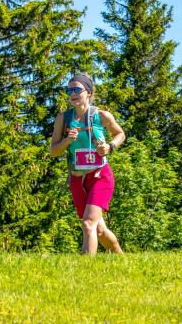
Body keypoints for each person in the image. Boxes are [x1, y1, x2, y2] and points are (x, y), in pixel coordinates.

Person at [50, 73, 125, 255]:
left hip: (100, 176)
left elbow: (120, 134)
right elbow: (53, 151)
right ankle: (122, 258)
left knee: (88, 223)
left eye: (77, 89)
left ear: (89, 92)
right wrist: (67, 141)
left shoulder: (101, 115)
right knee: (98, 230)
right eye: (70, 90)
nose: (72, 94)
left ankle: (85, 271)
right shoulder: (64, 118)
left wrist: (110, 146)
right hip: (77, 179)